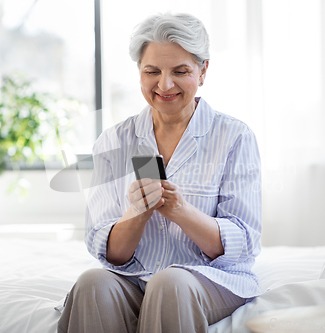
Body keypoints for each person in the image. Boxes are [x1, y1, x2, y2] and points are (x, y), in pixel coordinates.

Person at [57, 12, 262, 333]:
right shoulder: (114, 141)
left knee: (170, 283)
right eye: (152, 71)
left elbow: (245, 243)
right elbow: (107, 251)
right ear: (139, 71)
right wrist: (137, 213)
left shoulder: (234, 136)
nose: (164, 85)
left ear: (203, 71)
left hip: (209, 279)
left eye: (180, 71)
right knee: (92, 282)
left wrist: (180, 211)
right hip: (135, 278)